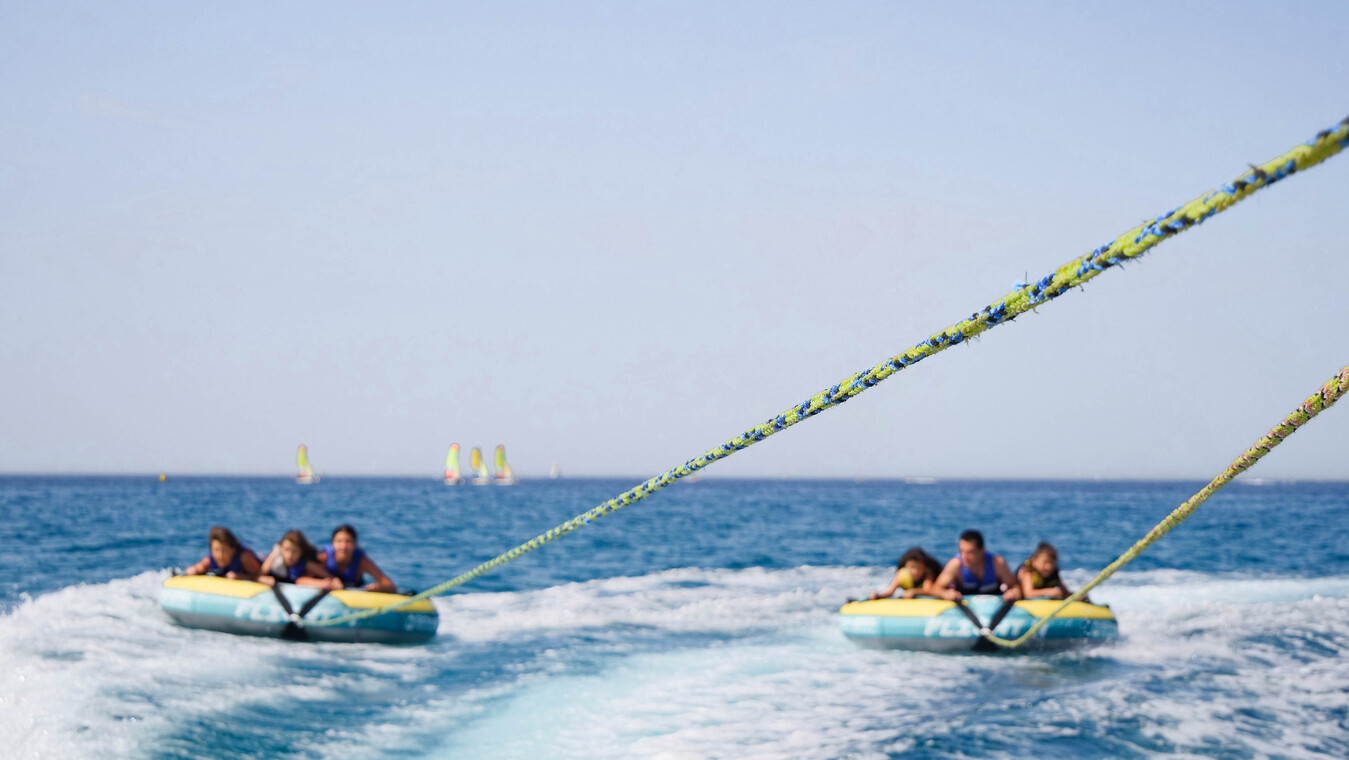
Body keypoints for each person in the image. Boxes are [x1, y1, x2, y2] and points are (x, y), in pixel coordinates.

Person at [928, 529, 1022, 602]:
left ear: (982, 551)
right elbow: (935, 589)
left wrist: (1014, 592)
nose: (964, 557)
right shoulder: (955, 565)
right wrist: (945, 594)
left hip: (994, 607)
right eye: (962, 552)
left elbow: (1015, 585)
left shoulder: (997, 563)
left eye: (970, 552)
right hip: (964, 608)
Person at [316, 524, 396, 592]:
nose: (343, 547)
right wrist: (324, 583)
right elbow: (303, 579)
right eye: (339, 541)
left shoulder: (362, 562)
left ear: (355, 544)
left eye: (348, 542)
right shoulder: (323, 558)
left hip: (354, 593)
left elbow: (390, 586)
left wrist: (379, 587)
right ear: (333, 543)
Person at [257, 529, 333, 588]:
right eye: (286, 550)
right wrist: (263, 579)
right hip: (275, 579)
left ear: (301, 552)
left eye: (295, 551)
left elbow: (329, 576)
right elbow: (258, 576)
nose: (289, 555)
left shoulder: (306, 562)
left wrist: (330, 582)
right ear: (281, 548)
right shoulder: (275, 555)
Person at [184, 526, 262, 580]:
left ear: (232, 549)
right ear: (211, 550)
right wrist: (192, 570)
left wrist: (241, 577)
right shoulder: (209, 559)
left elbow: (261, 575)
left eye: (224, 550)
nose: (220, 555)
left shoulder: (244, 557)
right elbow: (196, 569)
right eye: (216, 550)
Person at [1017, 541, 1083, 601]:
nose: (1048, 567)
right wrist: (1049, 591)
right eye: (1045, 562)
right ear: (1034, 561)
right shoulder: (1028, 572)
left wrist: (1078, 596)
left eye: (1052, 563)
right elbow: (1028, 593)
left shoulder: (1053, 574)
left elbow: (1066, 592)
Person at [869, 546, 943, 599]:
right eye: (912, 567)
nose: (915, 571)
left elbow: (928, 590)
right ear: (906, 566)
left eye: (919, 568)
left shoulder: (928, 573)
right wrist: (878, 595)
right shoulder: (901, 574)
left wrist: (913, 591)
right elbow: (890, 592)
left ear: (924, 567)